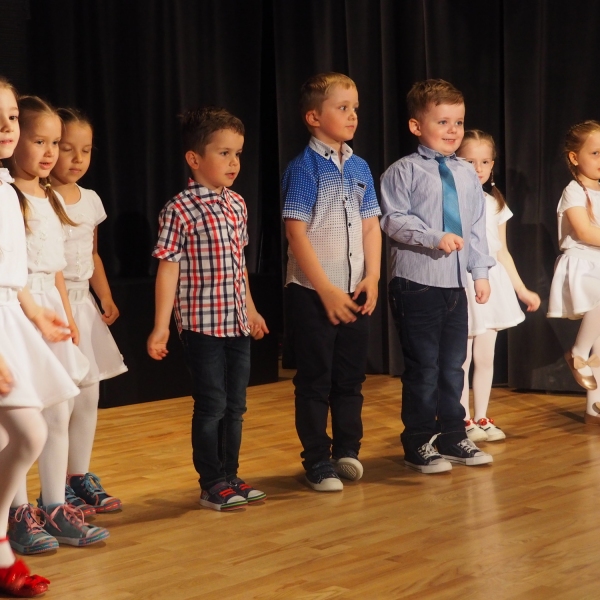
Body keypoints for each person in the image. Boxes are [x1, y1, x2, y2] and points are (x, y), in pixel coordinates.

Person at [147, 106, 268, 511]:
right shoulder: (180, 209)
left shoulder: (237, 204)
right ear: (195, 159)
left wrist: (251, 309)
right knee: (212, 404)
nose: (234, 162)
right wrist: (161, 326)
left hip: (236, 323)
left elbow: (239, 265)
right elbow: (168, 269)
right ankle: (211, 481)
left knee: (236, 405)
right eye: (224, 153)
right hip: (202, 325)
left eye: (238, 154)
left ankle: (231, 474)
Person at [8, 95, 108, 550]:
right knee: (21, 418)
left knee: (59, 410)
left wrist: (68, 317)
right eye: (39, 141)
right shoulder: (8, 195)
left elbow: (56, 269)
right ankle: (17, 512)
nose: (50, 152)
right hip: (19, 309)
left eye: (55, 143)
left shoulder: (47, 195)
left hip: (50, 309)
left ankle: (54, 505)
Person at [380, 79, 495, 474]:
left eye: (458, 122)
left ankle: (452, 436)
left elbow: (476, 228)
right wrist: (433, 236)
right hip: (416, 283)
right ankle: (418, 440)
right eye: (442, 122)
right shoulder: (404, 171)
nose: (452, 130)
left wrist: (479, 272)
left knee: (452, 366)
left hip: (454, 285)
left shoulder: (466, 174)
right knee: (424, 368)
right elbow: (393, 219)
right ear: (417, 126)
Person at [282, 72, 382, 491]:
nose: (352, 115)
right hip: (312, 293)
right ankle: (317, 460)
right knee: (314, 380)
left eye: (355, 107)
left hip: (355, 289)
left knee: (350, 378)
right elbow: (296, 232)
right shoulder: (304, 169)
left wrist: (373, 275)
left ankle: (346, 451)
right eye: (342, 108)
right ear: (313, 117)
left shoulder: (359, 166)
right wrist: (324, 289)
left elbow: (371, 224)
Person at [0, 77, 80, 598]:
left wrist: (34, 312)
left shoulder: (5, 191)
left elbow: (12, 271)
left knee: (29, 434)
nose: (6, 127)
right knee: (23, 432)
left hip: (9, 315)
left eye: (11, 116)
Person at [50, 107, 127, 515]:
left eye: (86, 150)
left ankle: (78, 475)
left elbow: (92, 254)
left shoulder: (91, 199)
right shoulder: (41, 198)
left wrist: (105, 297)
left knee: (88, 395)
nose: (78, 158)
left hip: (83, 303)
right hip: (54, 305)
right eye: (67, 148)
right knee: (59, 401)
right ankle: (54, 487)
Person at [456, 130, 540, 442]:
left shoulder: (495, 204)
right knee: (462, 358)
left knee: (485, 356)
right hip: (465, 281)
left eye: (484, 161)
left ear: (493, 165)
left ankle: (482, 416)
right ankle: (461, 418)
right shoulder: (452, 201)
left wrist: (521, 289)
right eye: (469, 161)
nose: (478, 168)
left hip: (493, 284)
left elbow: (502, 251)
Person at [548, 120, 600, 424]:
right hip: (582, 262)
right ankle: (576, 352)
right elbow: (583, 231)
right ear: (574, 157)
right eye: (595, 153)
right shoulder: (573, 191)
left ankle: (595, 406)